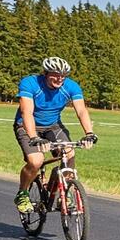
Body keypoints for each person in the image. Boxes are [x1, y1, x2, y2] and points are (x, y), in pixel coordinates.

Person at [13, 56, 97, 213]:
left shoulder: (71, 86)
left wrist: (89, 133)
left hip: (53, 126)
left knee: (69, 153)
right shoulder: (30, 83)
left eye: (63, 76)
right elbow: (27, 113)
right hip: (27, 126)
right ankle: (22, 193)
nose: (60, 79)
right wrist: (34, 138)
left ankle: (64, 195)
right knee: (36, 161)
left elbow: (81, 110)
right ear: (45, 73)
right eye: (55, 75)